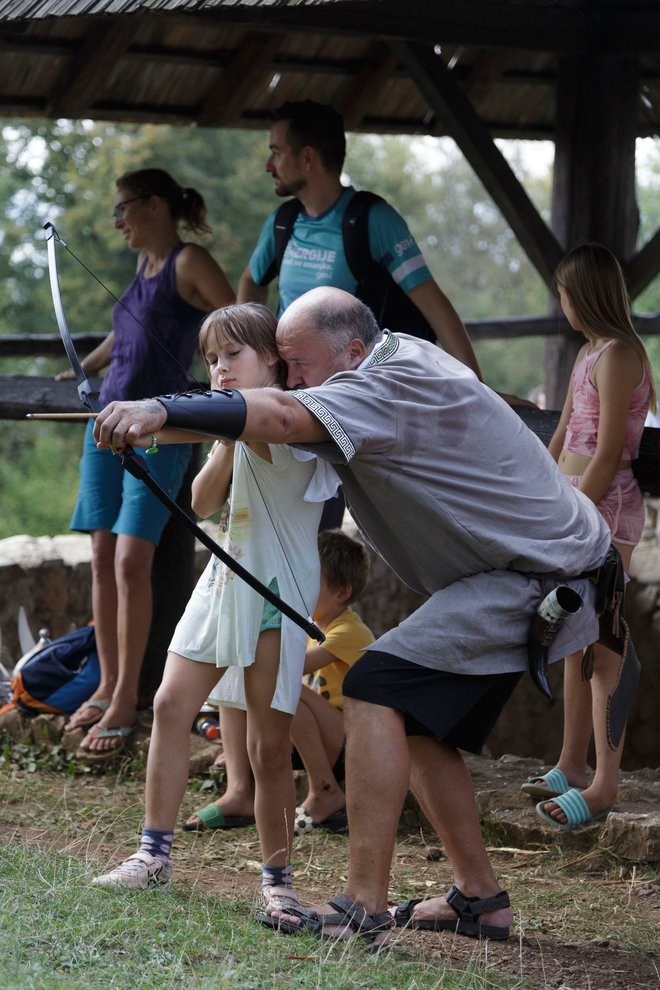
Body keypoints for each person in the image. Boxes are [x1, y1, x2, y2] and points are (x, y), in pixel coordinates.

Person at [93, 286, 614, 947]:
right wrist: (150, 421)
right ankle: (480, 899)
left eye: (300, 364)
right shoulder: (396, 360)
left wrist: (156, 405)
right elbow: (250, 426)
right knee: (420, 725)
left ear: (355, 351)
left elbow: (278, 418)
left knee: (374, 686)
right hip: (536, 567)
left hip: (543, 572)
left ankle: (364, 903)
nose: (296, 379)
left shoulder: (379, 386)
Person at [91, 304, 329, 921]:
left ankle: (278, 885)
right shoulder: (231, 423)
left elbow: (257, 429)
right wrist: (145, 428)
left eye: (234, 356)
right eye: (213, 358)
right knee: (170, 704)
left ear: (273, 361)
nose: (220, 369)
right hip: (225, 581)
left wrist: (170, 423)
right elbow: (201, 502)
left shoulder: (295, 419)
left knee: (269, 747)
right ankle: (153, 855)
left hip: (275, 588)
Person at [60, 168, 234, 758]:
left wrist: (221, 382)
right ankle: (110, 683)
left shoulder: (190, 262)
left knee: (134, 557)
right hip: (106, 420)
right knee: (104, 554)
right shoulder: (144, 267)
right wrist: (86, 366)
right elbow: (125, 331)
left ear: (156, 206)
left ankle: (125, 698)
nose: (118, 222)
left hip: (160, 426)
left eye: (124, 209)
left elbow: (239, 324)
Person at [521, 243, 656, 829]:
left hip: (607, 510)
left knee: (605, 645)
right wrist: (543, 492)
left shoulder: (621, 354)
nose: (562, 303)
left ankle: (604, 785)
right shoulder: (588, 352)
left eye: (566, 293)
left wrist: (572, 509)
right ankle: (571, 762)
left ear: (587, 294)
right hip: (575, 507)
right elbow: (565, 439)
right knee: (575, 638)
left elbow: (605, 454)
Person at [238, 100, 482, 376]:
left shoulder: (374, 219)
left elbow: (435, 307)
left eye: (276, 152)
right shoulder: (282, 221)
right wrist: (254, 353)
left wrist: (478, 387)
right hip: (292, 384)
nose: (269, 165)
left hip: (357, 389)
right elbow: (251, 281)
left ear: (308, 158)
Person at [183, 528, 374, 833]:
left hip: (347, 745)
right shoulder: (309, 624)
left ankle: (324, 788)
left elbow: (290, 667)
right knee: (240, 681)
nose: (295, 587)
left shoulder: (347, 631)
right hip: (310, 738)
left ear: (341, 593)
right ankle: (238, 789)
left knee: (279, 682)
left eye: (306, 580)